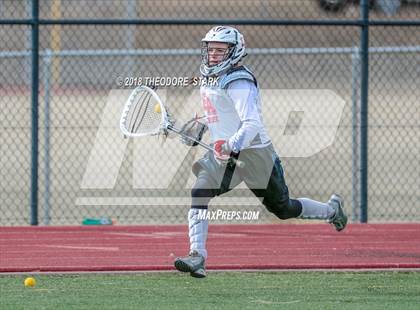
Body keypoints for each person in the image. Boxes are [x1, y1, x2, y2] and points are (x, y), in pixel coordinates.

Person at [174, 26, 347, 278]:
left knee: (283, 208)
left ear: (235, 52)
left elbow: (252, 124)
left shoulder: (239, 81)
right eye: (211, 49)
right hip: (225, 155)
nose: (213, 55)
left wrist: (230, 144)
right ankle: (197, 255)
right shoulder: (208, 78)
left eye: (220, 50)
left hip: (255, 153)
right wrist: (197, 128)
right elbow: (215, 112)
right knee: (200, 191)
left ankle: (332, 211)